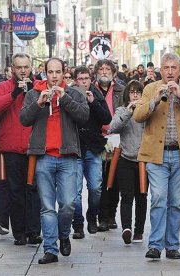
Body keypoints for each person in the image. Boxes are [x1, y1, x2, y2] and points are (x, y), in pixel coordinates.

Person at [133, 53, 180, 260]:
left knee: (176, 203)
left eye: (174, 68)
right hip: (156, 155)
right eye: (166, 68)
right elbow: (138, 116)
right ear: (160, 70)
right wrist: (156, 99)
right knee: (158, 198)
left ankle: (172, 245)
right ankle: (155, 245)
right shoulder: (149, 88)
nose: (170, 72)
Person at [20, 57, 89, 264]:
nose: (54, 76)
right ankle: (50, 249)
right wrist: (40, 102)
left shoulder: (75, 92)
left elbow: (84, 116)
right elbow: (24, 119)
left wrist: (64, 97)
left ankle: (63, 234)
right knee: (47, 207)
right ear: (45, 72)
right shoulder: (34, 93)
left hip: (67, 156)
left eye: (58, 72)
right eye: (50, 72)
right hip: (44, 157)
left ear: (64, 73)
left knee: (68, 204)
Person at [0, 53, 42, 246]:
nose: (23, 70)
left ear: (31, 68)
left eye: (26, 67)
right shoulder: (3, 86)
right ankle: (19, 233)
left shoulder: (38, 87)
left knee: (34, 190)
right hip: (11, 147)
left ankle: (34, 230)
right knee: (15, 191)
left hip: (34, 146)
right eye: (19, 67)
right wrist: (13, 95)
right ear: (12, 69)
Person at [71, 66, 111, 239]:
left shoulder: (96, 94)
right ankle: (78, 224)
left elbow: (107, 118)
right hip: (76, 148)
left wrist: (93, 102)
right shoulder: (70, 95)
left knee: (95, 187)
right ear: (75, 81)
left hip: (93, 148)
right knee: (76, 191)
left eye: (86, 78)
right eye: (80, 79)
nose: (84, 82)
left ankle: (92, 215)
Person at [109, 80, 147, 244]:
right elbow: (112, 128)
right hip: (125, 158)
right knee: (126, 195)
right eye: (132, 92)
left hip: (143, 160)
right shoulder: (121, 110)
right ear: (127, 94)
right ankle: (127, 228)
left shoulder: (146, 111)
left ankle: (139, 230)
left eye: (138, 92)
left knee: (142, 196)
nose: (135, 95)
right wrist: (128, 112)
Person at [93, 59, 124, 231]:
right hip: (98, 138)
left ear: (113, 72)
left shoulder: (121, 90)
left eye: (107, 69)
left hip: (117, 138)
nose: (104, 71)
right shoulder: (91, 90)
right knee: (100, 180)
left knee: (115, 180)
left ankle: (111, 214)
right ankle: (101, 216)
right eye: (101, 69)